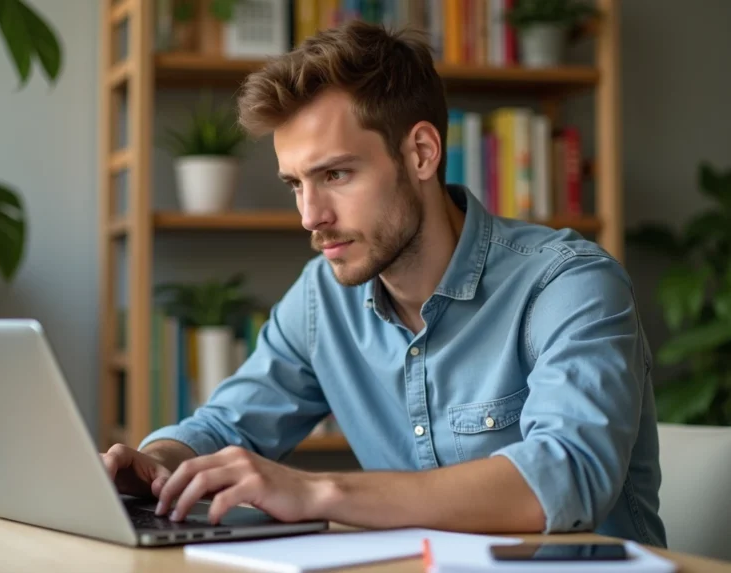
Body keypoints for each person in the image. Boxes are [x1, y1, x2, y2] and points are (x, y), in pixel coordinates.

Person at [101, 20, 666, 548]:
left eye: (335, 175)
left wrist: (319, 492)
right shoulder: (322, 297)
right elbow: (226, 425)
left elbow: (569, 476)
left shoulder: (568, 283)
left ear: (421, 153)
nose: (310, 215)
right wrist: (160, 463)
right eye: (296, 183)